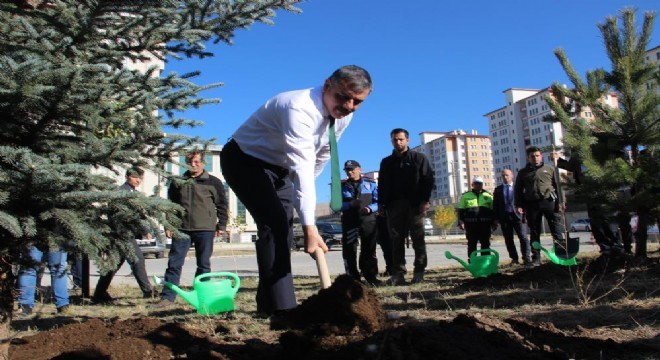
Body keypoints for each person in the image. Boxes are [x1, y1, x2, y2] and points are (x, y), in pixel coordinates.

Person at [220, 65, 373, 318]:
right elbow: (301, 167)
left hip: (280, 169)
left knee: (282, 231)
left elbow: (322, 155)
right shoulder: (298, 108)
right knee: (276, 224)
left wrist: (302, 192)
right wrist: (310, 228)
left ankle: (267, 305)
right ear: (327, 86)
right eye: (343, 97)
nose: (348, 105)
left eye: (357, 101)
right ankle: (284, 310)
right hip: (245, 160)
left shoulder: (344, 114)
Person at [155, 151, 228, 306]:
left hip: (205, 229)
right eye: (190, 162)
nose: (193, 165)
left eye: (197, 162)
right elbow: (171, 206)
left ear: (203, 163)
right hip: (181, 229)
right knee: (174, 263)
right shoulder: (178, 182)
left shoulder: (213, 182)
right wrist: (169, 225)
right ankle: (168, 297)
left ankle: (202, 296)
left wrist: (222, 224)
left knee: (203, 264)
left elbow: (222, 205)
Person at [378, 128, 434, 285]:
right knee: (396, 240)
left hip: (415, 205)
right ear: (391, 141)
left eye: (401, 139)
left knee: (418, 239)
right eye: (395, 139)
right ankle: (398, 274)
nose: (398, 142)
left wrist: (425, 201)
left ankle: (419, 272)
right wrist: (381, 204)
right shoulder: (386, 162)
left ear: (407, 140)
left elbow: (428, 180)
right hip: (394, 206)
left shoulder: (419, 158)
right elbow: (381, 184)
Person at [92, 167, 156, 304]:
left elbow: (138, 216)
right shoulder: (122, 193)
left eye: (140, 178)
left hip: (126, 233)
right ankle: (147, 291)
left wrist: (145, 230)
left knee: (113, 264)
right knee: (137, 259)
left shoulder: (133, 193)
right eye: (135, 177)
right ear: (127, 176)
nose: (138, 180)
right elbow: (119, 216)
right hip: (122, 234)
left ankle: (99, 293)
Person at [514, 146, 565, 266]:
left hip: (549, 202)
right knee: (535, 231)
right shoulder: (523, 173)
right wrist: (519, 204)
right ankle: (536, 258)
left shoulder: (550, 169)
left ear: (541, 156)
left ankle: (562, 255)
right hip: (532, 204)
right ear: (528, 158)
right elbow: (518, 190)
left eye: (537, 155)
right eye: (532, 156)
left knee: (556, 230)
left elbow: (558, 186)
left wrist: (561, 203)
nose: (535, 158)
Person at [339, 160, 381, 286]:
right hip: (350, 220)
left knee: (369, 248)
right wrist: (349, 204)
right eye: (347, 170)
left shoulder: (370, 184)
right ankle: (353, 278)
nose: (350, 172)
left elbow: (378, 201)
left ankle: (370, 276)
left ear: (359, 169)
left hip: (368, 220)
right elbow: (335, 205)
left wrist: (370, 209)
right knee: (350, 249)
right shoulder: (341, 187)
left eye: (352, 169)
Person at [17, 245, 70, 318]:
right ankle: (63, 306)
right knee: (58, 270)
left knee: (28, 269)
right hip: (56, 238)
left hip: (34, 238)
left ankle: (25, 307)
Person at [493, 169, 531, 265]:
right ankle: (514, 258)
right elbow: (495, 205)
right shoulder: (498, 190)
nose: (505, 177)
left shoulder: (518, 188)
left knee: (523, 237)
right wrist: (496, 218)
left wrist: (525, 214)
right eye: (503, 176)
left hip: (518, 216)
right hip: (505, 217)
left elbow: (526, 202)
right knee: (508, 239)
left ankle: (526, 258)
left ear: (512, 176)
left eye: (507, 175)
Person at [458, 176, 495, 261]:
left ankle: (485, 261)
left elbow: (493, 211)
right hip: (471, 225)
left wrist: (494, 222)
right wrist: (461, 222)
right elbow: (461, 210)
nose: (478, 185)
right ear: (472, 185)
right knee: (472, 244)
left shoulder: (488, 196)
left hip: (485, 225)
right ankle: (472, 262)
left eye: (480, 184)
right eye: (476, 183)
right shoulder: (466, 196)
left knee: (485, 243)